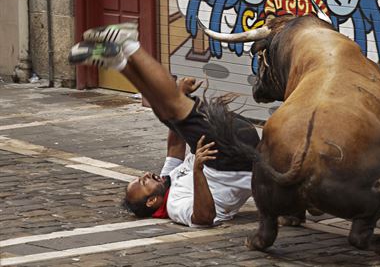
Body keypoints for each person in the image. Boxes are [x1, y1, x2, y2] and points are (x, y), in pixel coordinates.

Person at [67, 23, 259, 227]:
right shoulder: (175, 205)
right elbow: (204, 218)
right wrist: (197, 171)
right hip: (231, 162)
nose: (147, 175)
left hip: (225, 147)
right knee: (174, 109)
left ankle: (119, 63)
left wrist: (180, 94)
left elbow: (175, 147)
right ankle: (130, 44)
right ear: (152, 201)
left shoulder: (169, 178)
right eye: (143, 182)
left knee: (165, 112)